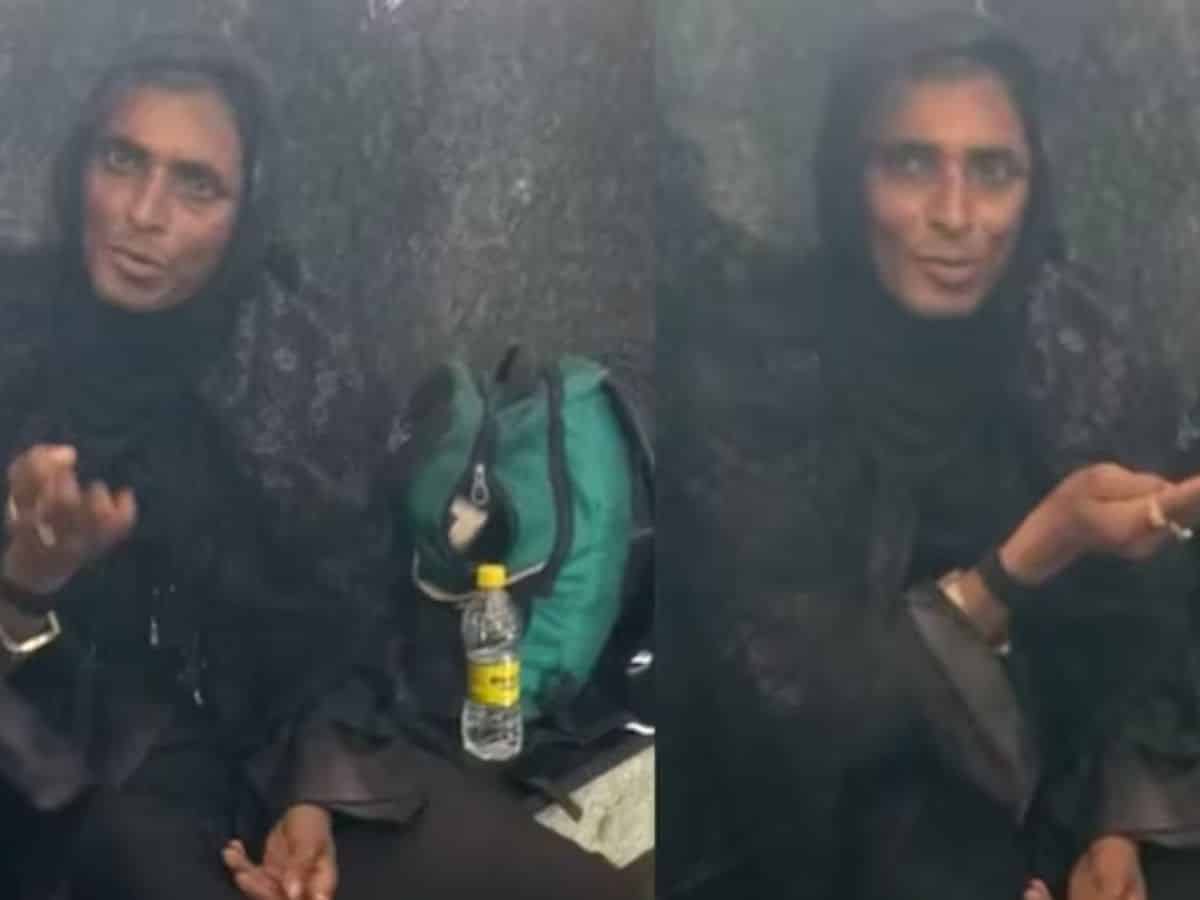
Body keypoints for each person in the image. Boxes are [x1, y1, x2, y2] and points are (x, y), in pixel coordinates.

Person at [0, 34, 629, 900]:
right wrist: (26, 582)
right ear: (78, 167)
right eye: (121, 160)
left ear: (246, 214)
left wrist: (314, 794)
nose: (144, 212)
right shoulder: (17, 344)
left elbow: (344, 613)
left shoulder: (286, 363)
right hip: (72, 774)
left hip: (275, 740)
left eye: (197, 185)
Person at [662, 11, 1200, 900]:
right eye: (911, 163)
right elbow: (798, 704)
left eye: (993, 171)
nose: (955, 216)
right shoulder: (760, 370)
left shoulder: (1070, 343)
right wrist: (1028, 557)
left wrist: (1116, 822)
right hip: (832, 815)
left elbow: (1148, 630)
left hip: (1056, 777)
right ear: (850, 176)